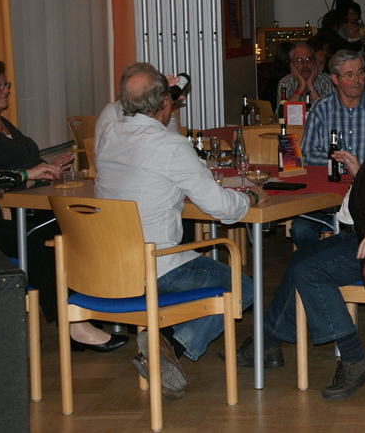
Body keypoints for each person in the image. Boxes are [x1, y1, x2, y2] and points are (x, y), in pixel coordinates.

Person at [239, 69, 365, 400]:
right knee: (301, 260)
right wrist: (362, 173)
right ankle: (268, 343)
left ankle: (354, 357)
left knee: (309, 271)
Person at [95, 62, 266, 399]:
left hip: (108, 268)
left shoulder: (107, 133)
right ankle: (169, 345)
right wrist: (250, 197)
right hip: (155, 266)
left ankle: (162, 346)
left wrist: (155, 95)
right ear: (166, 103)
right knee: (243, 287)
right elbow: (220, 207)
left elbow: (118, 109)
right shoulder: (170, 147)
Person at [0, 61, 125, 350]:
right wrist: (27, 176)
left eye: (7, 84)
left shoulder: (5, 125)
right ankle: (73, 326)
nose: (6, 90)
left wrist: (46, 169)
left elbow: (15, 169)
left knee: (76, 229)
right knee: (41, 242)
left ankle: (96, 304)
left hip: (7, 210)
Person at [299, 50, 365, 168]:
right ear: (335, 79)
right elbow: (307, 155)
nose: (357, 80)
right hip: (333, 176)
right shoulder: (322, 108)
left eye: (360, 73)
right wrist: (342, 163)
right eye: (349, 75)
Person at [277, 40, 333, 107]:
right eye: (299, 60)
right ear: (292, 65)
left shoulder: (326, 81)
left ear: (314, 62)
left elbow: (329, 111)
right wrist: (301, 87)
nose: (305, 64)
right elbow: (282, 112)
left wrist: (311, 87)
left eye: (309, 59)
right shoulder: (285, 83)